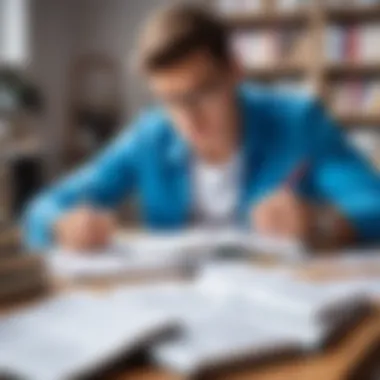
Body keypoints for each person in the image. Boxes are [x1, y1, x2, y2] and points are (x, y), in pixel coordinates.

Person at [23, 4, 380, 251]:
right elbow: (42, 209)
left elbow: (373, 204)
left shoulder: (298, 121)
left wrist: (321, 223)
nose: (188, 118)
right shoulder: (150, 136)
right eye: (170, 100)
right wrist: (61, 227)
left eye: (202, 92)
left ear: (235, 70)